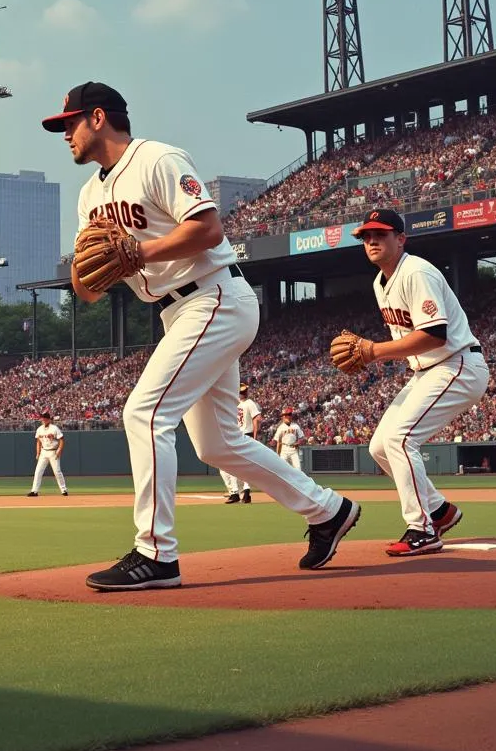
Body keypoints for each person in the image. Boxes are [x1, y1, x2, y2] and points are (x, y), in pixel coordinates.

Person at [43, 81, 359, 590]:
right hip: (177, 311)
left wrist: (138, 253)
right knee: (217, 444)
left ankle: (156, 554)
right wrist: (87, 267)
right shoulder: (90, 195)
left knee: (144, 412)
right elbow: (90, 290)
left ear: (98, 117)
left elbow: (209, 229)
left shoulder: (157, 159)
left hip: (213, 295)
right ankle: (327, 510)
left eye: (69, 124)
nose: (65, 135)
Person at [339, 209, 488, 557]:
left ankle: (422, 529)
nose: (371, 241)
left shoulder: (416, 271)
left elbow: (435, 335)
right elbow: (409, 339)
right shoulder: (380, 283)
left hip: (457, 363)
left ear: (401, 239)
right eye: (366, 236)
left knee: (401, 438)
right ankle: (438, 511)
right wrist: (372, 352)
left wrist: (373, 350)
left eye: (381, 234)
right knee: (380, 447)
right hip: (428, 370)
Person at [220, 383, 261, 503]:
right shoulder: (239, 403)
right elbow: (257, 419)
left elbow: (257, 419)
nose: (242, 393)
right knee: (240, 466)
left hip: (243, 435)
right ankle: (243, 493)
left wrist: (254, 435)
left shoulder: (247, 403)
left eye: (243, 392)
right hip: (238, 435)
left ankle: (236, 493)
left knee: (233, 465)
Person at [27, 410, 68, 497]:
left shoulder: (54, 428)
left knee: (57, 472)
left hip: (53, 451)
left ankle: (64, 490)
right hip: (44, 452)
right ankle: (34, 491)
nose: (43, 420)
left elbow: (62, 440)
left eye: (45, 418)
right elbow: (38, 441)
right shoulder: (39, 429)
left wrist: (59, 451)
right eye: (42, 418)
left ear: (49, 419)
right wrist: (38, 453)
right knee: (38, 471)